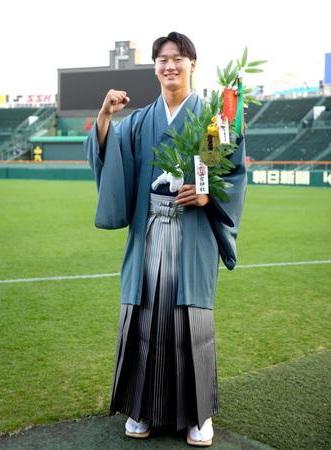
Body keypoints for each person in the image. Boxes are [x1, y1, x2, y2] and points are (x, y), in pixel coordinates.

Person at [85, 31, 247, 447]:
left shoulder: (213, 119)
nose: (170, 65)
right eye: (162, 59)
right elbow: (111, 159)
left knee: (190, 323)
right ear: (155, 67)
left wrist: (208, 193)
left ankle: (198, 416)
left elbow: (229, 175)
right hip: (149, 230)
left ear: (193, 64)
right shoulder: (139, 121)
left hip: (192, 233)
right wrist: (105, 116)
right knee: (145, 319)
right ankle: (141, 410)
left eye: (178, 57)